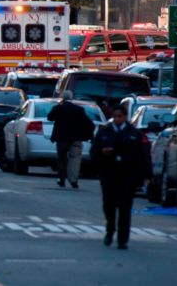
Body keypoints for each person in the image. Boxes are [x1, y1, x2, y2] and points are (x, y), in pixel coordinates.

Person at [91, 105, 150, 250]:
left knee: (125, 207)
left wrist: (146, 175)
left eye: (120, 116)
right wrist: (102, 153)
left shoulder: (134, 134)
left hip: (127, 175)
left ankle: (123, 238)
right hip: (109, 173)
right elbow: (94, 151)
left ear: (125, 117)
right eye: (115, 116)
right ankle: (110, 229)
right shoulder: (105, 132)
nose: (117, 119)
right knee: (108, 204)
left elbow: (143, 156)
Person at [47, 91, 95, 188]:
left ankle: (61, 180)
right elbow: (89, 123)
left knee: (61, 159)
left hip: (61, 138)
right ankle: (73, 180)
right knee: (75, 158)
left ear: (63, 98)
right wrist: (88, 135)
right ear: (71, 98)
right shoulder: (79, 110)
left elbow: (50, 117)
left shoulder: (58, 108)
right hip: (76, 138)